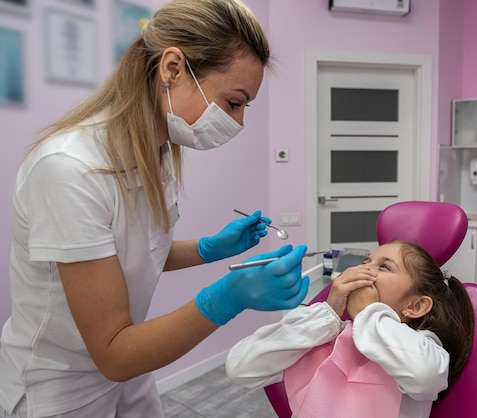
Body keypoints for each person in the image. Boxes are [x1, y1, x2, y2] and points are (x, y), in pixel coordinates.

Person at [0, 1, 310, 417]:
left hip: (130, 367)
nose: (237, 122)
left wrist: (208, 249)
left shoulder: (157, 150)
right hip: (58, 385)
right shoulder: (69, 170)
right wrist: (227, 297)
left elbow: (135, 253)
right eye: (233, 102)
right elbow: (113, 352)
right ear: (172, 68)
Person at [226, 240, 475, 418]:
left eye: (384, 267)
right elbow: (241, 367)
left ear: (416, 305)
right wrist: (328, 313)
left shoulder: (421, 344)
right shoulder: (322, 334)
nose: (363, 270)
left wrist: (368, 312)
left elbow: (424, 376)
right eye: (365, 262)